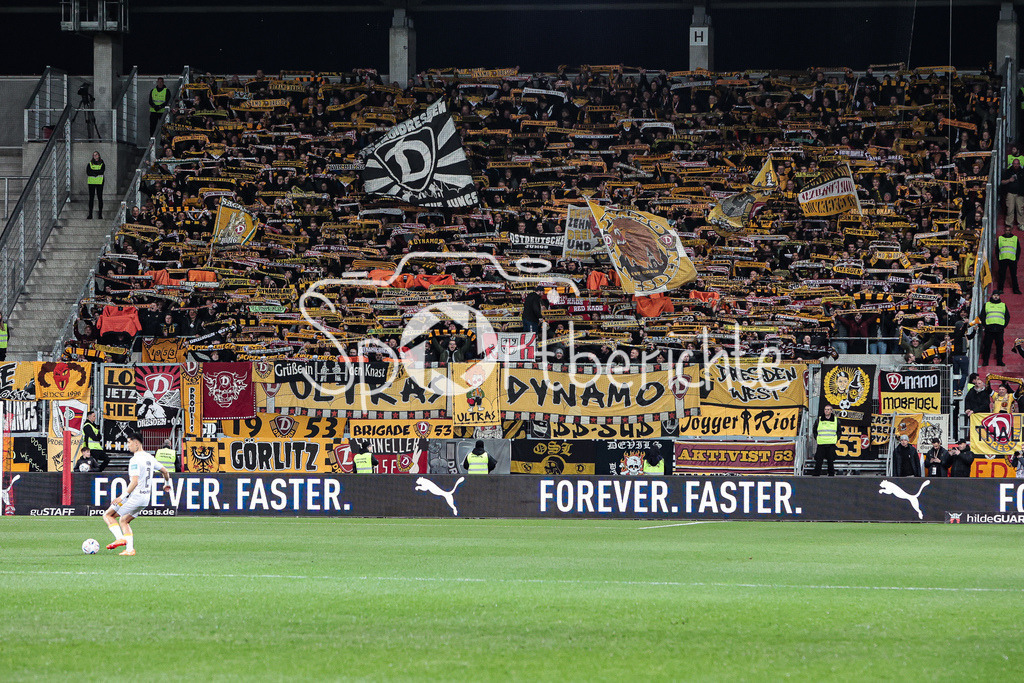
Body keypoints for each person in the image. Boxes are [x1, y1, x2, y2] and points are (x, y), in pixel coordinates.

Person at [102, 431, 171, 556]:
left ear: (136, 444)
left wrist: (121, 497)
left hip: (136, 496)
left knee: (108, 515)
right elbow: (165, 471)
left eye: (129, 443)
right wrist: (167, 484)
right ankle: (129, 550)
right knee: (124, 521)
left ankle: (120, 538)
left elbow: (134, 481)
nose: (128, 446)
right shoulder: (150, 457)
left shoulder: (135, 460)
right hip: (145, 498)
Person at [980, 290, 1009, 366]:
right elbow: (982, 316)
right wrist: (985, 325)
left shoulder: (1003, 305)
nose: (996, 296)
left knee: (1000, 345)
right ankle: (985, 361)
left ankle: (999, 361)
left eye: (997, 295)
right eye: (994, 295)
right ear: (992, 296)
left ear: (999, 296)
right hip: (989, 328)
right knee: (987, 345)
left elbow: (1007, 317)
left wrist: (1003, 326)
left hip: (999, 329)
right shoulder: (987, 305)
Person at [812, 403, 839, 476]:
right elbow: (814, 430)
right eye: (825, 409)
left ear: (831, 411)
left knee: (830, 461)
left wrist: (836, 439)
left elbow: (839, 431)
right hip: (821, 443)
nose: (826, 411)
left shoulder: (836, 420)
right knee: (819, 460)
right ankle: (816, 475)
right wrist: (817, 438)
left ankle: (831, 475)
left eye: (828, 410)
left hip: (831, 443)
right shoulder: (819, 420)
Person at [996, 224, 1021, 294]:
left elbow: (1018, 249)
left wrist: (1016, 259)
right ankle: (1000, 289)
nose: (1007, 231)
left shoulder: (1015, 238)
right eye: (1006, 230)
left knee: (1013, 275)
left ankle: (1016, 289)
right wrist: (998, 259)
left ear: (1011, 230)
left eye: (1009, 230)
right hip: (1002, 259)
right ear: (1004, 230)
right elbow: (997, 249)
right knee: (1002, 275)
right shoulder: (1000, 238)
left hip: (1012, 259)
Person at [1001, 157, 1024, 229]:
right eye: (1014, 164)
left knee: (1020, 210)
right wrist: (1009, 180)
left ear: (1019, 164)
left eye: (1017, 164)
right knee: (1010, 209)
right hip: (1010, 193)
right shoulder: (1008, 171)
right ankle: (1009, 224)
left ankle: (1021, 224)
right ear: (1012, 164)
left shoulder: (1023, 172)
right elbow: (1002, 182)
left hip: (1020, 194)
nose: (1016, 165)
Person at [86, 150, 105, 220]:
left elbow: (102, 171)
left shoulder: (102, 163)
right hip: (91, 182)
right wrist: (96, 173)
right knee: (91, 198)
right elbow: (88, 172)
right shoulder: (90, 163)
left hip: (99, 182)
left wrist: (93, 172)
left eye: (96, 154)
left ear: (99, 155)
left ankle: (100, 214)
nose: (95, 156)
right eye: (94, 155)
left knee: (100, 197)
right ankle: (90, 214)